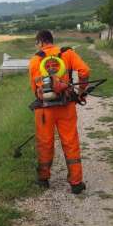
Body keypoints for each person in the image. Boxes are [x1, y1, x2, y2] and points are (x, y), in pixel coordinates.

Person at [28, 30, 90, 194]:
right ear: (51, 41)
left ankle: (43, 179)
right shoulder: (68, 54)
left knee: (45, 142)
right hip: (66, 106)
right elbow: (84, 71)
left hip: (44, 110)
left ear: (41, 42)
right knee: (70, 142)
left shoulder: (35, 60)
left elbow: (34, 88)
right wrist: (81, 91)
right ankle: (76, 183)